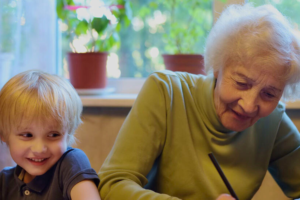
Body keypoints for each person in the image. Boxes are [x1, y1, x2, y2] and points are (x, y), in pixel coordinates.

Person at [98, 3, 300, 200]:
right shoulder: (166, 93)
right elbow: (112, 185)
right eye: (241, 83)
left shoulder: (272, 122)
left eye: (269, 94)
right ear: (218, 66)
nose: (249, 105)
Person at [0, 70, 101, 200]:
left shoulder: (72, 163)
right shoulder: (4, 182)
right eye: (27, 135)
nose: (39, 149)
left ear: (68, 134)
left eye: (53, 135)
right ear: (3, 134)